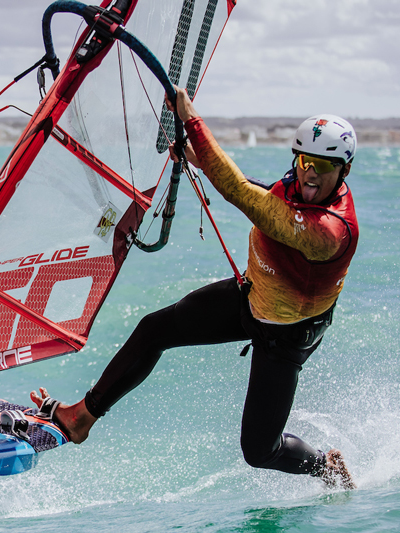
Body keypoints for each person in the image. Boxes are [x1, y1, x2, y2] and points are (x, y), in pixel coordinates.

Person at [31, 86, 359, 489]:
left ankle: (326, 466)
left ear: (343, 171)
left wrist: (192, 120)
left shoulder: (331, 231)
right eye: (306, 160)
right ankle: (81, 417)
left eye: (324, 166)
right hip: (252, 297)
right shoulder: (294, 185)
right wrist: (197, 159)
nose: (311, 172)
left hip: (287, 335)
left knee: (260, 452)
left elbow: (242, 194)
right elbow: (256, 187)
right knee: (155, 329)